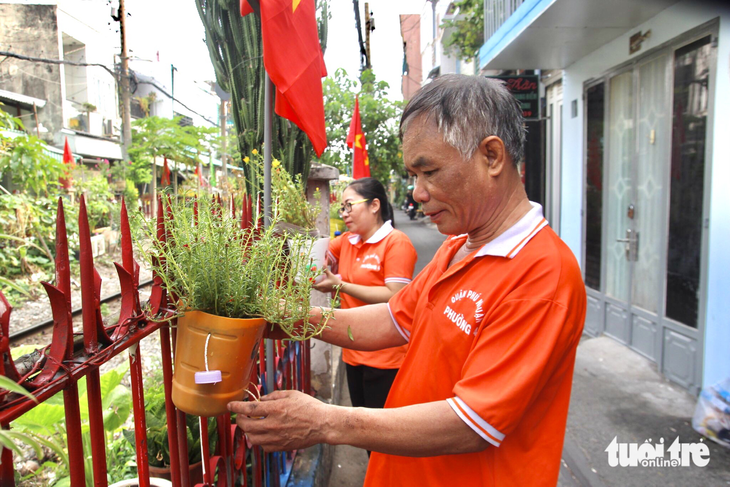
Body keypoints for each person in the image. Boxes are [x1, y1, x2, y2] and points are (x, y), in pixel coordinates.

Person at [229, 75, 587, 486]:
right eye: (413, 175)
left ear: (491, 156)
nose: (416, 193)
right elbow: (394, 320)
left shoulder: (542, 275)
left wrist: (327, 421)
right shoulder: (459, 248)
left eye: (428, 171)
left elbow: (471, 423)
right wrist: (293, 318)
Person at [313, 177, 417, 425]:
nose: (345, 213)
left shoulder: (396, 243)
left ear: (374, 205)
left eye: (350, 205)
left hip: (386, 356)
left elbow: (394, 295)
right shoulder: (348, 240)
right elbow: (317, 256)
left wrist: (341, 285)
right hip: (353, 352)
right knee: (363, 429)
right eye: (342, 208)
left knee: (384, 434)